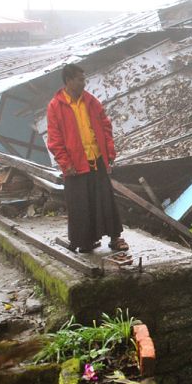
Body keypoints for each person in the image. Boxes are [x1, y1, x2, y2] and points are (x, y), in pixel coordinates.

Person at [46, 63, 128, 253]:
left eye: (84, 79)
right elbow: (54, 139)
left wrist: (109, 154)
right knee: (80, 206)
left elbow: (106, 128)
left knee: (106, 201)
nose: (84, 83)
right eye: (80, 79)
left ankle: (116, 239)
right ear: (69, 81)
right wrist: (65, 163)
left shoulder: (91, 102)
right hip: (75, 165)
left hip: (96, 159)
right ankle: (85, 242)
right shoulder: (55, 106)